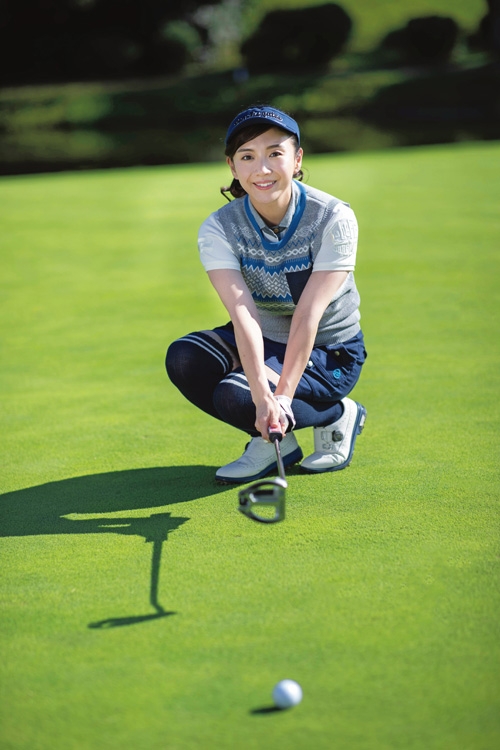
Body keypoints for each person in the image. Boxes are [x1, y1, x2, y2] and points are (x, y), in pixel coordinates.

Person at [166, 105, 367, 483]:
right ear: (232, 166)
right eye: (247, 156)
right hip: (265, 336)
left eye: (275, 153)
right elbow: (243, 315)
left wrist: (281, 397)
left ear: (297, 159)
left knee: (234, 395)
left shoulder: (334, 217)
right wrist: (262, 396)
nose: (261, 169)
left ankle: (337, 413)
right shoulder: (218, 228)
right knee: (184, 359)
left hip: (330, 351)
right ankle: (276, 438)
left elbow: (309, 315)